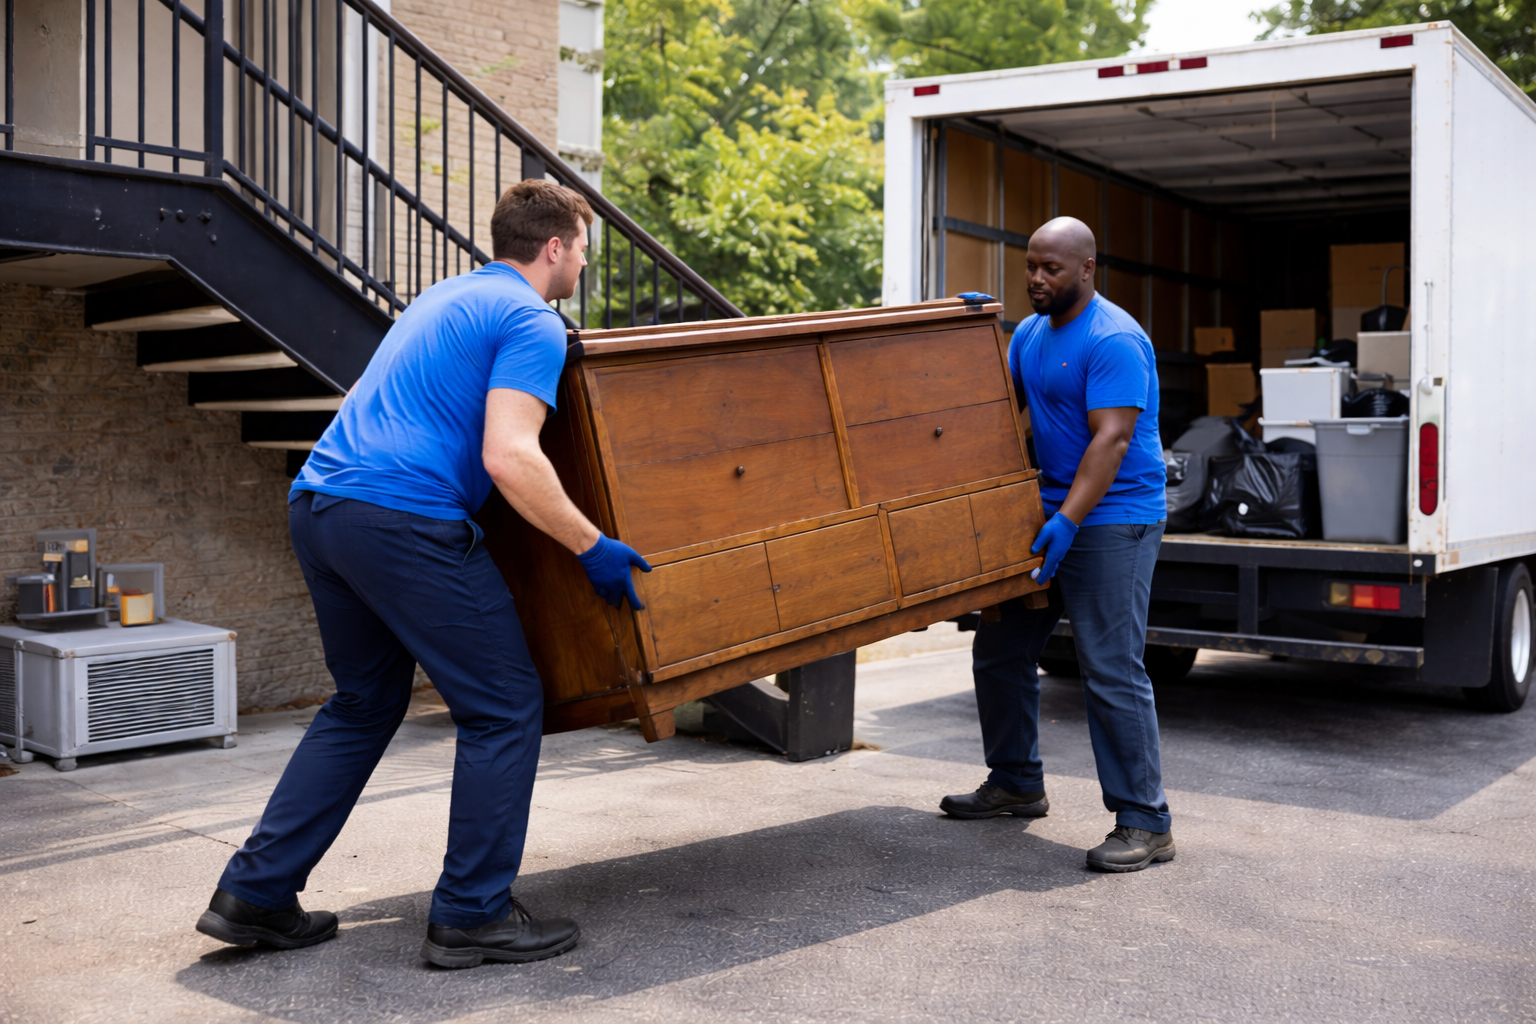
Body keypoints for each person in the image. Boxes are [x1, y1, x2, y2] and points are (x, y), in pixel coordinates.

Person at [194, 180, 652, 966]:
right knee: (505, 705)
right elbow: (510, 455)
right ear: (554, 247)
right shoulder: (531, 319)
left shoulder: (445, 298)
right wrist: (591, 545)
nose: (582, 262)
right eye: (581, 248)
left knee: (364, 702)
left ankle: (255, 894)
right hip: (402, 519)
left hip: (321, 507)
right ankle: (474, 914)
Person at [939, 216, 1174, 873]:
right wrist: (962, 340)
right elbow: (995, 404)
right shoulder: (1031, 335)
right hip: (1046, 513)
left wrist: (1068, 521)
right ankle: (1016, 782)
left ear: (1087, 270)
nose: (1037, 280)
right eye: (1030, 267)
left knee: (1109, 666)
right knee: (1001, 649)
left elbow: (1113, 440)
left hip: (1113, 520)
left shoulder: (1115, 339)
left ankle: (1146, 822)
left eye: (1052, 270)